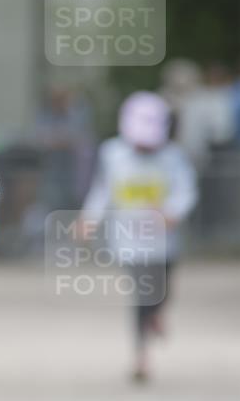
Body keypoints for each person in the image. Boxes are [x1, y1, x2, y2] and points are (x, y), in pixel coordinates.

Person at [79, 91, 198, 383]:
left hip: (164, 240)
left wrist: (173, 212)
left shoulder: (173, 157)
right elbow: (102, 190)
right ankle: (141, 356)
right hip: (129, 239)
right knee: (144, 294)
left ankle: (157, 313)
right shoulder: (112, 154)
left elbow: (186, 189)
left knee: (163, 291)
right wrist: (88, 219)